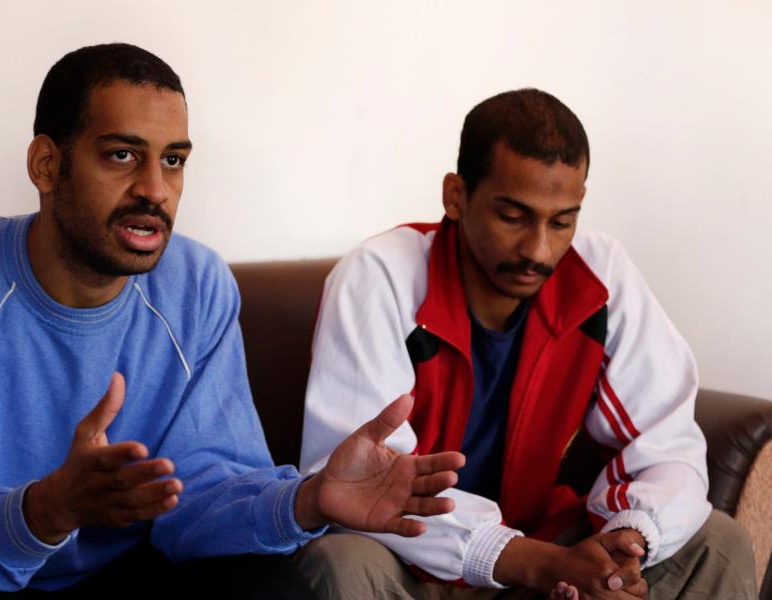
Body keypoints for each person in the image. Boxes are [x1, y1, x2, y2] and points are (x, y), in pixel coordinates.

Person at [0, 43, 466, 599]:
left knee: (268, 587)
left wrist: (307, 498)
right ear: (47, 165)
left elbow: (202, 496)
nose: (156, 189)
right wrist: (49, 508)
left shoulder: (197, 284)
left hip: (115, 575)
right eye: (124, 156)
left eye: (175, 160)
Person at [296, 89, 757, 599]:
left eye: (562, 221)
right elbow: (364, 487)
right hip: (414, 562)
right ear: (456, 195)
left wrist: (627, 544)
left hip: (547, 543)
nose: (538, 249)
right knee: (339, 561)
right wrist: (528, 561)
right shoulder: (380, 276)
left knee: (717, 541)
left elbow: (666, 440)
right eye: (512, 217)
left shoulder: (599, 274)